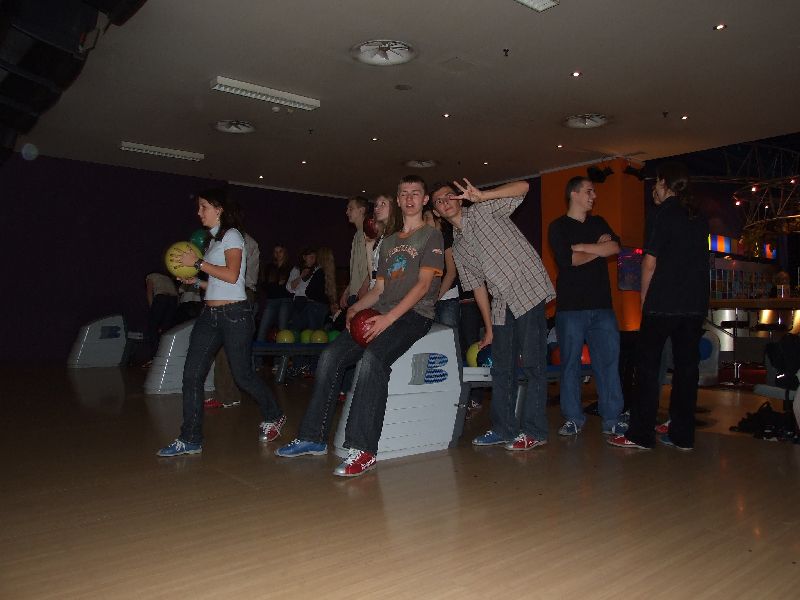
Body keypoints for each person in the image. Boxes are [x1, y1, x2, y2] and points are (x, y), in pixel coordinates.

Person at [275, 175, 444, 477]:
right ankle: (313, 437)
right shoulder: (389, 242)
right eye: (404, 193)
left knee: (372, 359)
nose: (409, 199)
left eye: (415, 193)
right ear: (398, 198)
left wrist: (389, 319)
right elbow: (379, 289)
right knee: (330, 356)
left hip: (415, 315)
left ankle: (363, 449)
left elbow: (422, 286)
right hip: (381, 310)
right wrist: (354, 308)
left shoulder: (431, 237)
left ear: (424, 199)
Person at [156, 188, 284, 457]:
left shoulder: (233, 235)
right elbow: (219, 282)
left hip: (234, 315)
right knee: (192, 375)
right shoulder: (213, 242)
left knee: (243, 376)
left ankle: (274, 414)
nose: (199, 212)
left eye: (203, 207)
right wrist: (197, 281)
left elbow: (232, 274)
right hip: (210, 315)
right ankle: (190, 438)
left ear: (219, 209)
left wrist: (198, 263)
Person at [437, 178, 556, 451]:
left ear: (458, 198)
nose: (445, 202)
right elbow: (477, 287)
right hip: (502, 300)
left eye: (448, 196)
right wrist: (489, 328)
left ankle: (535, 431)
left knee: (533, 364)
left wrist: (483, 195)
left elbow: (524, 187)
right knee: (501, 368)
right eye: (439, 201)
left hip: (527, 288)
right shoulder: (458, 247)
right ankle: (504, 429)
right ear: (437, 211)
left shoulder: (483, 210)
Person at [608, 162, 709, 450]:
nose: (654, 187)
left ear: (665, 183)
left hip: (663, 302)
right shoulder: (698, 215)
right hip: (694, 303)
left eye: (656, 183)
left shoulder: (662, 213)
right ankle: (683, 435)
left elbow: (649, 262)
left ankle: (640, 434)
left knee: (648, 368)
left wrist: (644, 298)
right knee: (687, 370)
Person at [548, 176, 627, 436]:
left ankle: (612, 418)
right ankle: (573, 418)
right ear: (574, 194)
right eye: (589, 191)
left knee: (608, 364)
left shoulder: (599, 222)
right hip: (570, 308)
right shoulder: (558, 226)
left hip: (602, 307)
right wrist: (598, 248)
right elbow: (569, 260)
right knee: (570, 365)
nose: (594, 196)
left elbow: (614, 247)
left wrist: (582, 247)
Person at [429, 183, 462, 331]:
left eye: (427, 218)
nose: (424, 222)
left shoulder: (446, 238)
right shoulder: (425, 244)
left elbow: (451, 272)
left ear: (437, 219)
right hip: (430, 300)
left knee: (450, 337)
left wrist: (435, 298)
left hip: (448, 298)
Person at [256, 244, 293, 342]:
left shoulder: (290, 268)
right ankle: (258, 351)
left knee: (283, 329)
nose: (278, 254)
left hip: (285, 300)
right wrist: (277, 284)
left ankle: (282, 352)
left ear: (285, 253)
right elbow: (264, 285)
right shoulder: (269, 267)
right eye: (276, 252)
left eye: (280, 251)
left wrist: (274, 285)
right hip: (271, 300)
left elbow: (290, 287)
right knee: (263, 327)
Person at [339, 196, 370, 309]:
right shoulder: (357, 235)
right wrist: (347, 291)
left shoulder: (370, 233)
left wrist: (365, 287)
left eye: (350, 208)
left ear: (361, 210)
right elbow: (355, 269)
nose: (347, 212)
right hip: (355, 293)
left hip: (364, 293)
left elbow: (376, 264)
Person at [143, 271, 178, 363]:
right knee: (167, 329)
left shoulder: (150, 276)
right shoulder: (167, 278)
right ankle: (166, 356)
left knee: (152, 328)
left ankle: (155, 357)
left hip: (161, 298)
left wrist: (152, 307)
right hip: (173, 300)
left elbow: (149, 292)